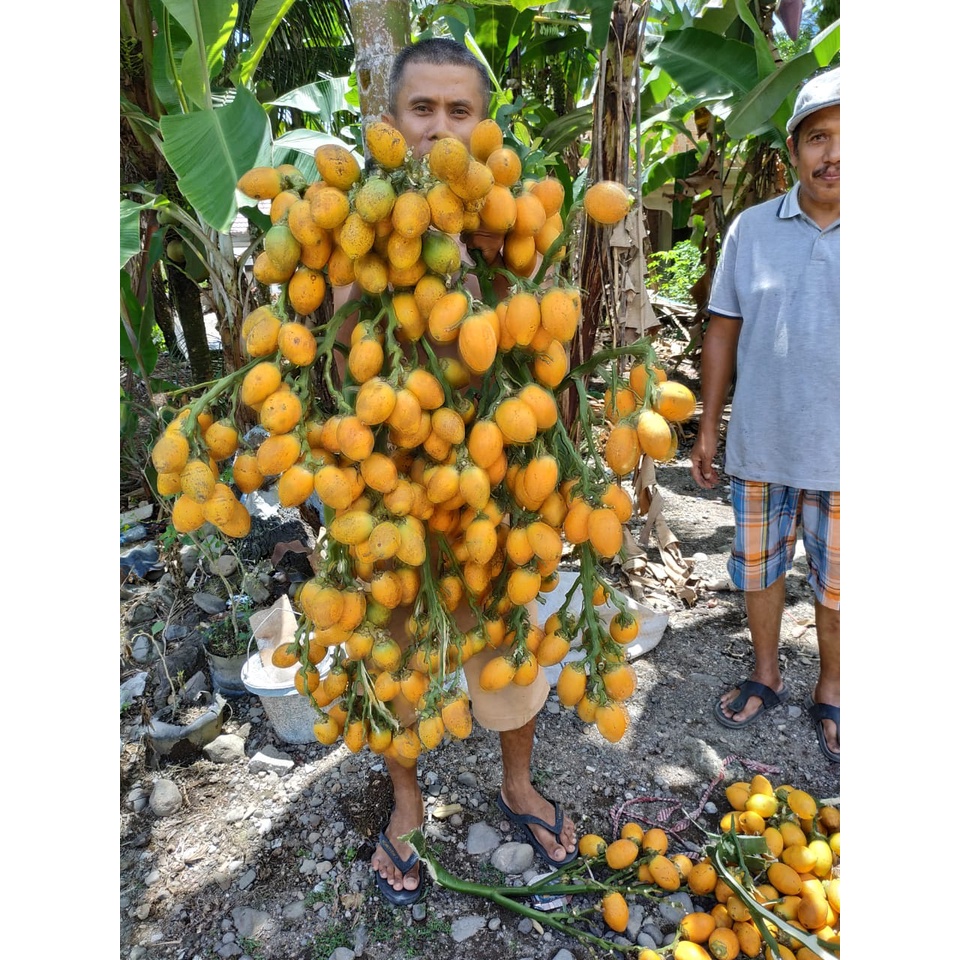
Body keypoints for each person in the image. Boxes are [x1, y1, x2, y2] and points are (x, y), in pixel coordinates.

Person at [332, 37, 578, 906]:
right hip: (386, 493)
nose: (439, 127)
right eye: (422, 110)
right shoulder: (353, 227)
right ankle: (406, 804)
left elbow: (546, 360)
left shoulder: (514, 221)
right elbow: (333, 366)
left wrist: (490, 261)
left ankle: (518, 785)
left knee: (509, 644)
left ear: (484, 127)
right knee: (387, 651)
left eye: (459, 111)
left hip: (495, 492)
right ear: (389, 124)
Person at [689, 67, 840, 765]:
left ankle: (833, 687)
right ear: (793, 150)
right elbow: (722, 329)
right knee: (759, 570)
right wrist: (708, 425)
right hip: (762, 440)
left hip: (848, 452)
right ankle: (766, 673)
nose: (833, 154)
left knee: (841, 585)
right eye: (818, 137)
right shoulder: (751, 230)